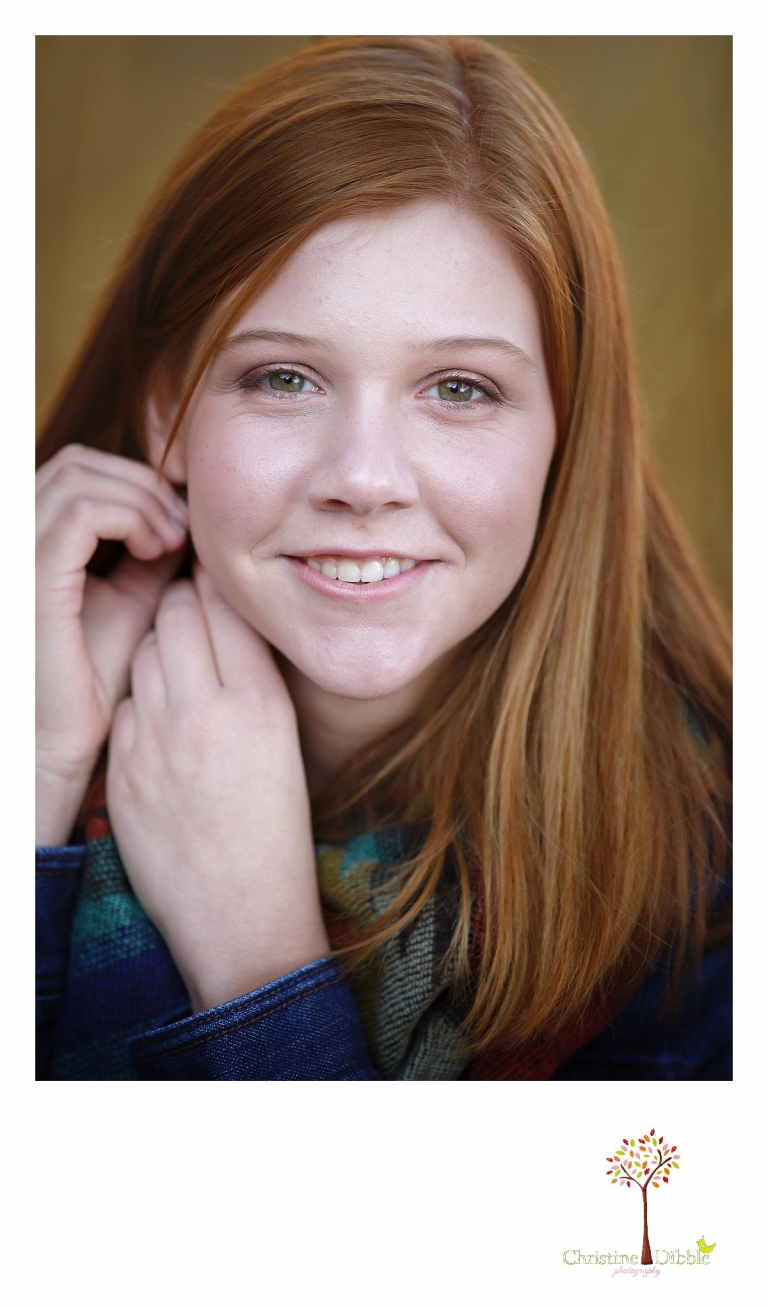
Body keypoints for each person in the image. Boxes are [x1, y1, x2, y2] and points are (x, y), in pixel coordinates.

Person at [35, 35, 732, 1080]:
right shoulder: (41, 708)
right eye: (282, 378)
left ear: (566, 432)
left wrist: (260, 959)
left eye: (459, 389)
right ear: (168, 408)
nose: (364, 478)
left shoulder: (712, 874)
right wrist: (35, 776)